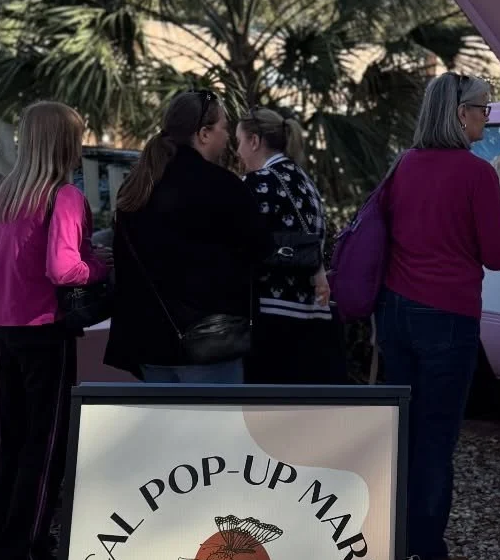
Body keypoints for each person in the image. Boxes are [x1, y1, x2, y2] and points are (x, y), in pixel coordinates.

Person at [377, 72, 500, 560]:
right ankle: (426, 554)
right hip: (449, 316)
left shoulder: (402, 166)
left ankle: (391, 539)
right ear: (461, 114)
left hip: (396, 310)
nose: (488, 115)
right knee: (436, 438)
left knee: (403, 431)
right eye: (483, 107)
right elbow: (498, 256)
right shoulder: (477, 175)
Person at [0, 101, 109, 560]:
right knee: (47, 442)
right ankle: (27, 552)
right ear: (66, 142)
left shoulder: (9, 193)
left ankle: (6, 543)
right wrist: (99, 266)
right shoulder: (65, 197)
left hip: (5, 325)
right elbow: (62, 268)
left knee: (14, 440)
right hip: (45, 327)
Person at [106, 90, 270, 384]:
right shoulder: (222, 186)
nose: (227, 138)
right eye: (222, 128)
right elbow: (260, 249)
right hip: (209, 341)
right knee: (214, 429)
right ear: (203, 134)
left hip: (149, 343)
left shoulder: (137, 188)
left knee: (168, 431)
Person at [235, 107, 345, 385]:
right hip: (312, 318)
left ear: (255, 141)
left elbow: (241, 247)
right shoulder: (307, 183)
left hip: (270, 319)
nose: (238, 152)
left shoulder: (256, 183)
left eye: (239, 142)